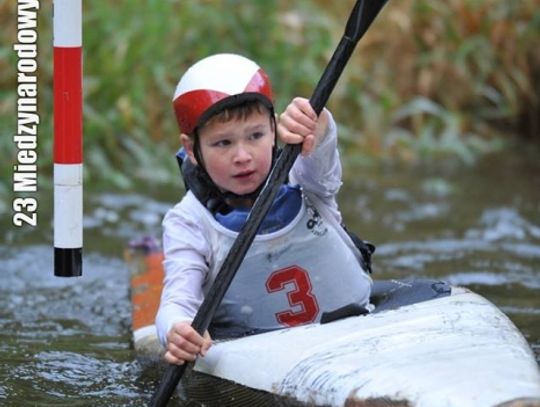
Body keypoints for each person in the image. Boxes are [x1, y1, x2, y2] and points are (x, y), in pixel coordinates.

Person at [156, 53, 373, 366]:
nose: (243, 155)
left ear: (274, 129)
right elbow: (177, 303)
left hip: (361, 327)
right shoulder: (188, 221)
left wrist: (316, 122)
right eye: (223, 143)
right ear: (191, 149)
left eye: (256, 136)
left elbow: (322, 147)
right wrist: (177, 329)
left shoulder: (305, 175)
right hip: (262, 359)